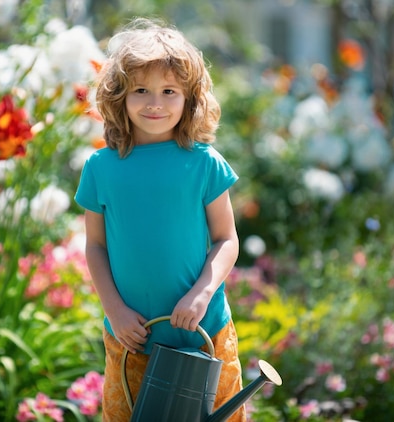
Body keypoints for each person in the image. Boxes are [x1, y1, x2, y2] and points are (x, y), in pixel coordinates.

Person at [74, 18, 245, 422]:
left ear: (190, 98)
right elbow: (95, 247)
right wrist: (114, 311)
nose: (155, 103)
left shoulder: (204, 164)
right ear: (119, 96)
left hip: (204, 334)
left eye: (169, 91)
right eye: (141, 91)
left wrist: (201, 294)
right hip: (132, 339)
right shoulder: (101, 167)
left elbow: (227, 239)